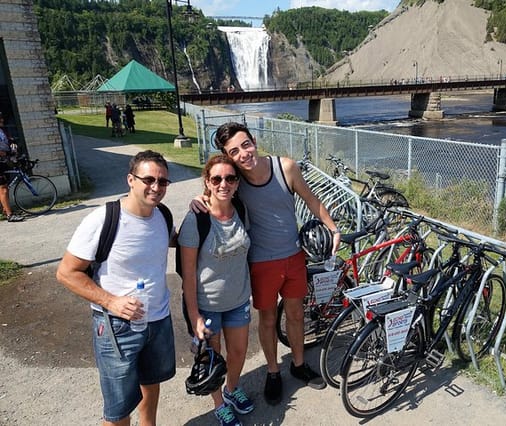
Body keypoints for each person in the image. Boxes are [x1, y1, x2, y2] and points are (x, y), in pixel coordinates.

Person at [200, 122, 341, 405]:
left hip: (293, 255)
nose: (243, 154)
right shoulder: (236, 180)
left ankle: (298, 364)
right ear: (229, 156)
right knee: (267, 319)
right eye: (234, 151)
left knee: (296, 313)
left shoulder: (285, 167)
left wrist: (333, 228)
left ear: (254, 140)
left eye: (246, 145)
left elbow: (311, 200)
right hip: (261, 262)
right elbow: (214, 191)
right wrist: (199, 199)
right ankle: (273, 371)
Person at [56, 150, 176, 426]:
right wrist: (111, 302)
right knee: (118, 410)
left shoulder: (162, 216)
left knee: (151, 385)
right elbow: (66, 273)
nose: (156, 187)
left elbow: (178, 242)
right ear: (130, 180)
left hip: (157, 320)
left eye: (163, 182)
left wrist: (204, 209)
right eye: (148, 180)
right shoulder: (103, 219)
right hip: (116, 326)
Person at [179, 155, 254, 426]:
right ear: (207, 182)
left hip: (238, 299)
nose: (224, 183)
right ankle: (219, 404)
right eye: (217, 179)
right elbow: (188, 274)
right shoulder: (196, 219)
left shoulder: (241, 210)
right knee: (213, 359)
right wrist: (194, 315)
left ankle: (231, 390)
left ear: (236, 183)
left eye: (230, 178)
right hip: (207, 303)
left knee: (239, 351)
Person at [0, 112, 23, 222]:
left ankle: (5, 210)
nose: (2, 120)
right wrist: (7, 154)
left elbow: (8, 140)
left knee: (4, 188)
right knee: (3, 188)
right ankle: (10, 215)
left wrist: (13, 143)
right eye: (0, 119)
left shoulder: (2, 130)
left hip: (3, 162)